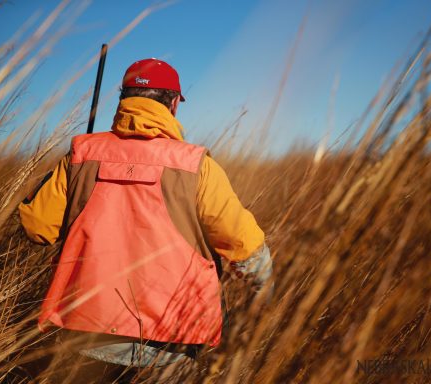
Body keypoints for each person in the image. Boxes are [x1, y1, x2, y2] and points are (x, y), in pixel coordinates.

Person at [18, 58, 273, 382]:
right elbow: (245, 247)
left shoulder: (80, 154)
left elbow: (36, 227)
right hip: (169, 343)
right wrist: (266, 301)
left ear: (124, 99)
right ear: (173, 104)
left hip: (83, 334)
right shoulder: (197, 166)